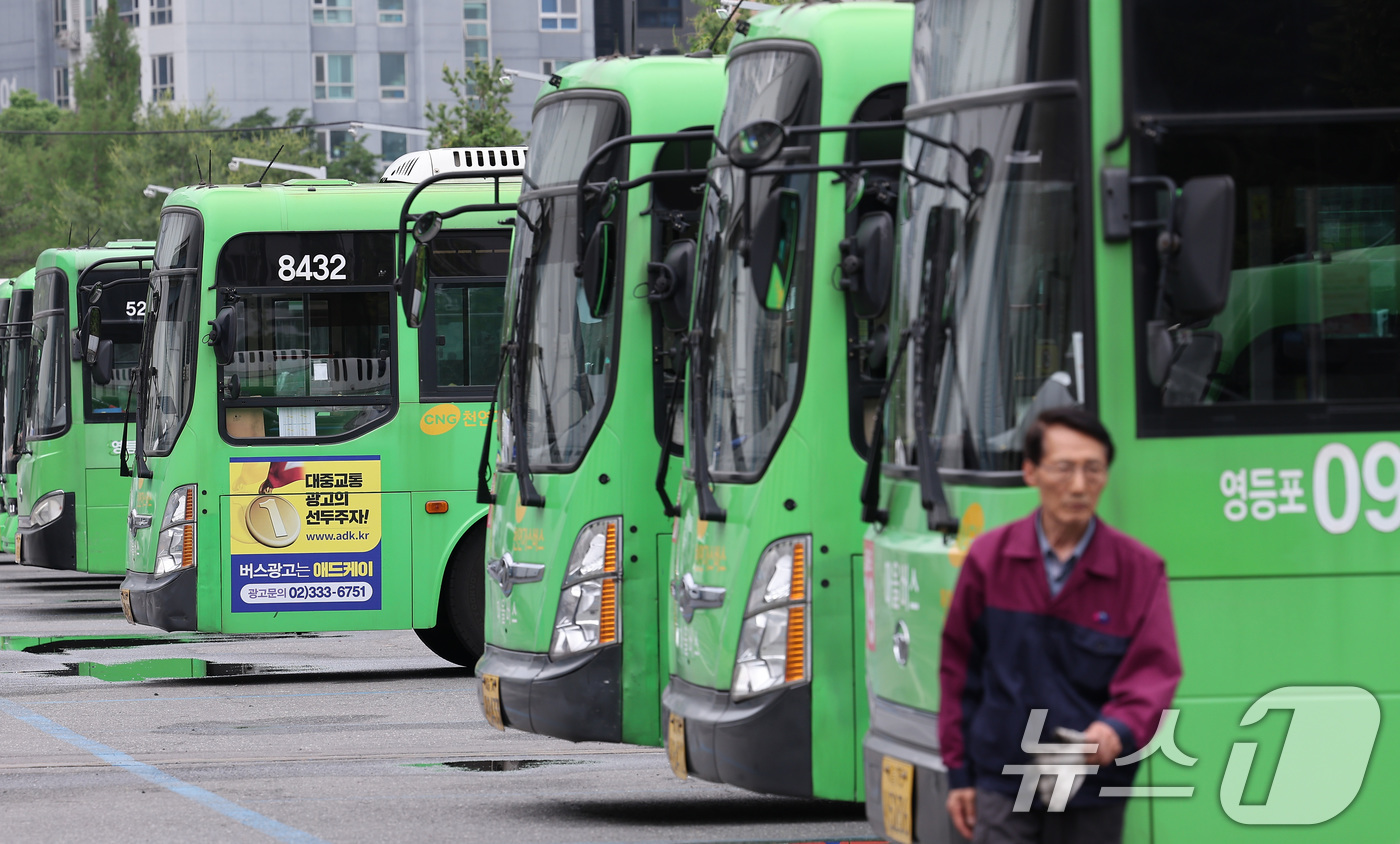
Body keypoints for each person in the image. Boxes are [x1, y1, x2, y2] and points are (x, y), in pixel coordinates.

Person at [939, 406, 1182, 844]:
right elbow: (959, 672)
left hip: (1095, 789)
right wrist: (960, 773)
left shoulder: (1137, 570)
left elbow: (1154, 674)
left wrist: (1111, 733)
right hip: (1003, 782)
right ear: (1030, 471)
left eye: (1093, 470)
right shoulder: (990, 560)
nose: (1078, 485)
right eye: (1063, 468)